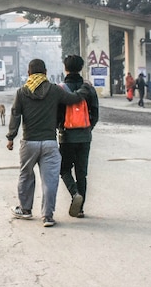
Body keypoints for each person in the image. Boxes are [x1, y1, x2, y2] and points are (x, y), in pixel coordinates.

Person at [6, 58, 90, 228]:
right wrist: (85, 89)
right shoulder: (53, 90)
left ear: (29, 73)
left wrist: (10, 137)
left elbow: (15, 115)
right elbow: (73, 99)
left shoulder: (22, 92)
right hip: (50, 143)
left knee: (25, 175)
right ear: (45, 73)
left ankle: (26, 209)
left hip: (29, 142)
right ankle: (48, 216)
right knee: (50, 180)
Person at [57, 55, 99, 219]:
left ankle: (75, 194)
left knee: (64, 169)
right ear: (81, 68)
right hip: (85, 136)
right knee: (82, 172)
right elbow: (95, 113)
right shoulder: (89, 88)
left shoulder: (61, 89)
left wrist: (61, 128)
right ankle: (80, 208)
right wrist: (88, 128)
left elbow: (57, 113)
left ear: (65, 68)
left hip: (67, 136)